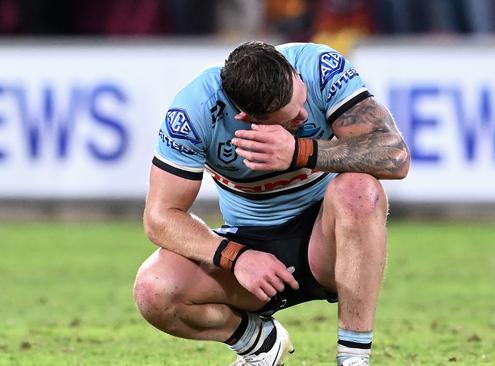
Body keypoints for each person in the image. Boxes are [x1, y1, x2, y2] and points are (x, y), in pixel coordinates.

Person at [133, 41, 410, 366]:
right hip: (249, 248)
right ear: (249, 118)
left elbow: (396, 156)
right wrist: (236, 258)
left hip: (328, 241)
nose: (304, 116)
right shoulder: (195, 112)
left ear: (293, 72)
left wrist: (301, 151)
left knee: (359, 188)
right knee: (154, 289)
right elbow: (159, 217)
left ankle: (353, 358)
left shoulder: (319, 67)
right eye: (291, 119)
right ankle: (258, 342)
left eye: (302, 99)